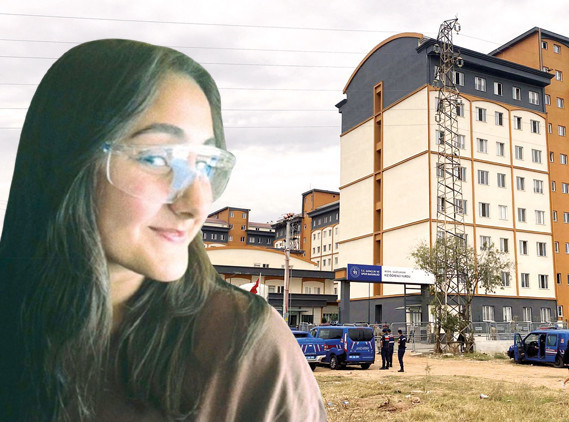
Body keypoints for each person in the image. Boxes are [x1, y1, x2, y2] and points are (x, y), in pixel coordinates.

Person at [0, 39, 326, 421]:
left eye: (206, 165)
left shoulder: (243, 345)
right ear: (66, 159)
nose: (195, 204)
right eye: (156, 158)